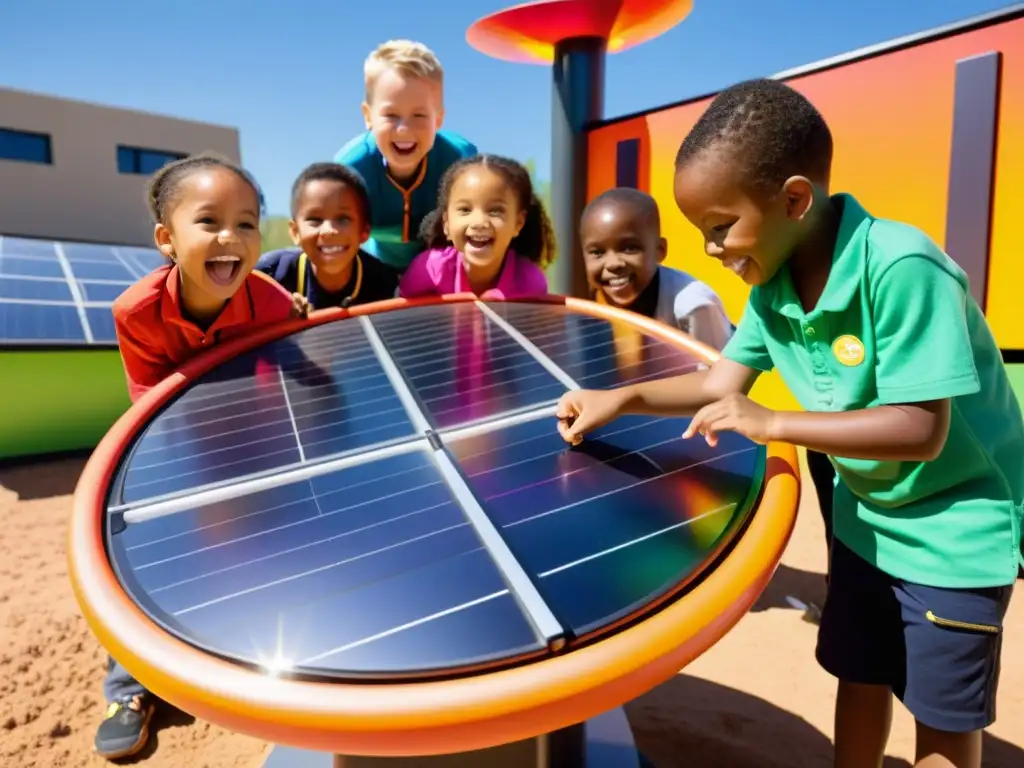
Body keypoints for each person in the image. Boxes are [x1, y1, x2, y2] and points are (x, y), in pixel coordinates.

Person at [555, 79, 1022, 768]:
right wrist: (620, 400)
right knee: (858, 674)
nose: (711, 250)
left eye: (721, 226)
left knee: (940, 718)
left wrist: (773, 420)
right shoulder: (772, 286)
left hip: (954, 529)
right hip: (867, 520)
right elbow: (719, 380)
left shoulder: (901, 268)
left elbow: (920, 429)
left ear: (794, 201)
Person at [102, 152, 301, 759]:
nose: (230, 237)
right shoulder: (136, 312)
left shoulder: (269, 302)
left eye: (246, 224)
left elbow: (292, 374)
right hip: (178, 440)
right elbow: (156, 408)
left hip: (254, 439)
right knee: (151, 548)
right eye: (209, 221)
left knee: (269, 539)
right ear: (166, 238)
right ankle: (130, 687)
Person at [334, 40, 478, 274]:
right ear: (368, 116)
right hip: (369, 270)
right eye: (391, 115)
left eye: (419, 115)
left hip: (443, 270)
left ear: (438, 119)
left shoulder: (461, 162)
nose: (404, 129)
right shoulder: (348, 171)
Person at [580, 186, 733, 351]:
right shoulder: (588, 304)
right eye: (597, 252)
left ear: (660, 250)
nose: (612, 263)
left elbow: (717, 371)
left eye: (629, 248)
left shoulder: (693, 306)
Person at [399, 154, 552, 299]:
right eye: (465, 210)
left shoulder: (530, 282)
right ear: (447, 223)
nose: (479, 222)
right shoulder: (428, 271)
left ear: (518, 223)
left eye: (495, 211)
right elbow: (398, 319)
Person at [256, 162, 398, 309]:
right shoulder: (268, 278)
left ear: (364, 232)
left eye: (343, 219)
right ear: (295, 232)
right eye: (315, 220)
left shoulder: (386, 285)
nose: (328, 230)